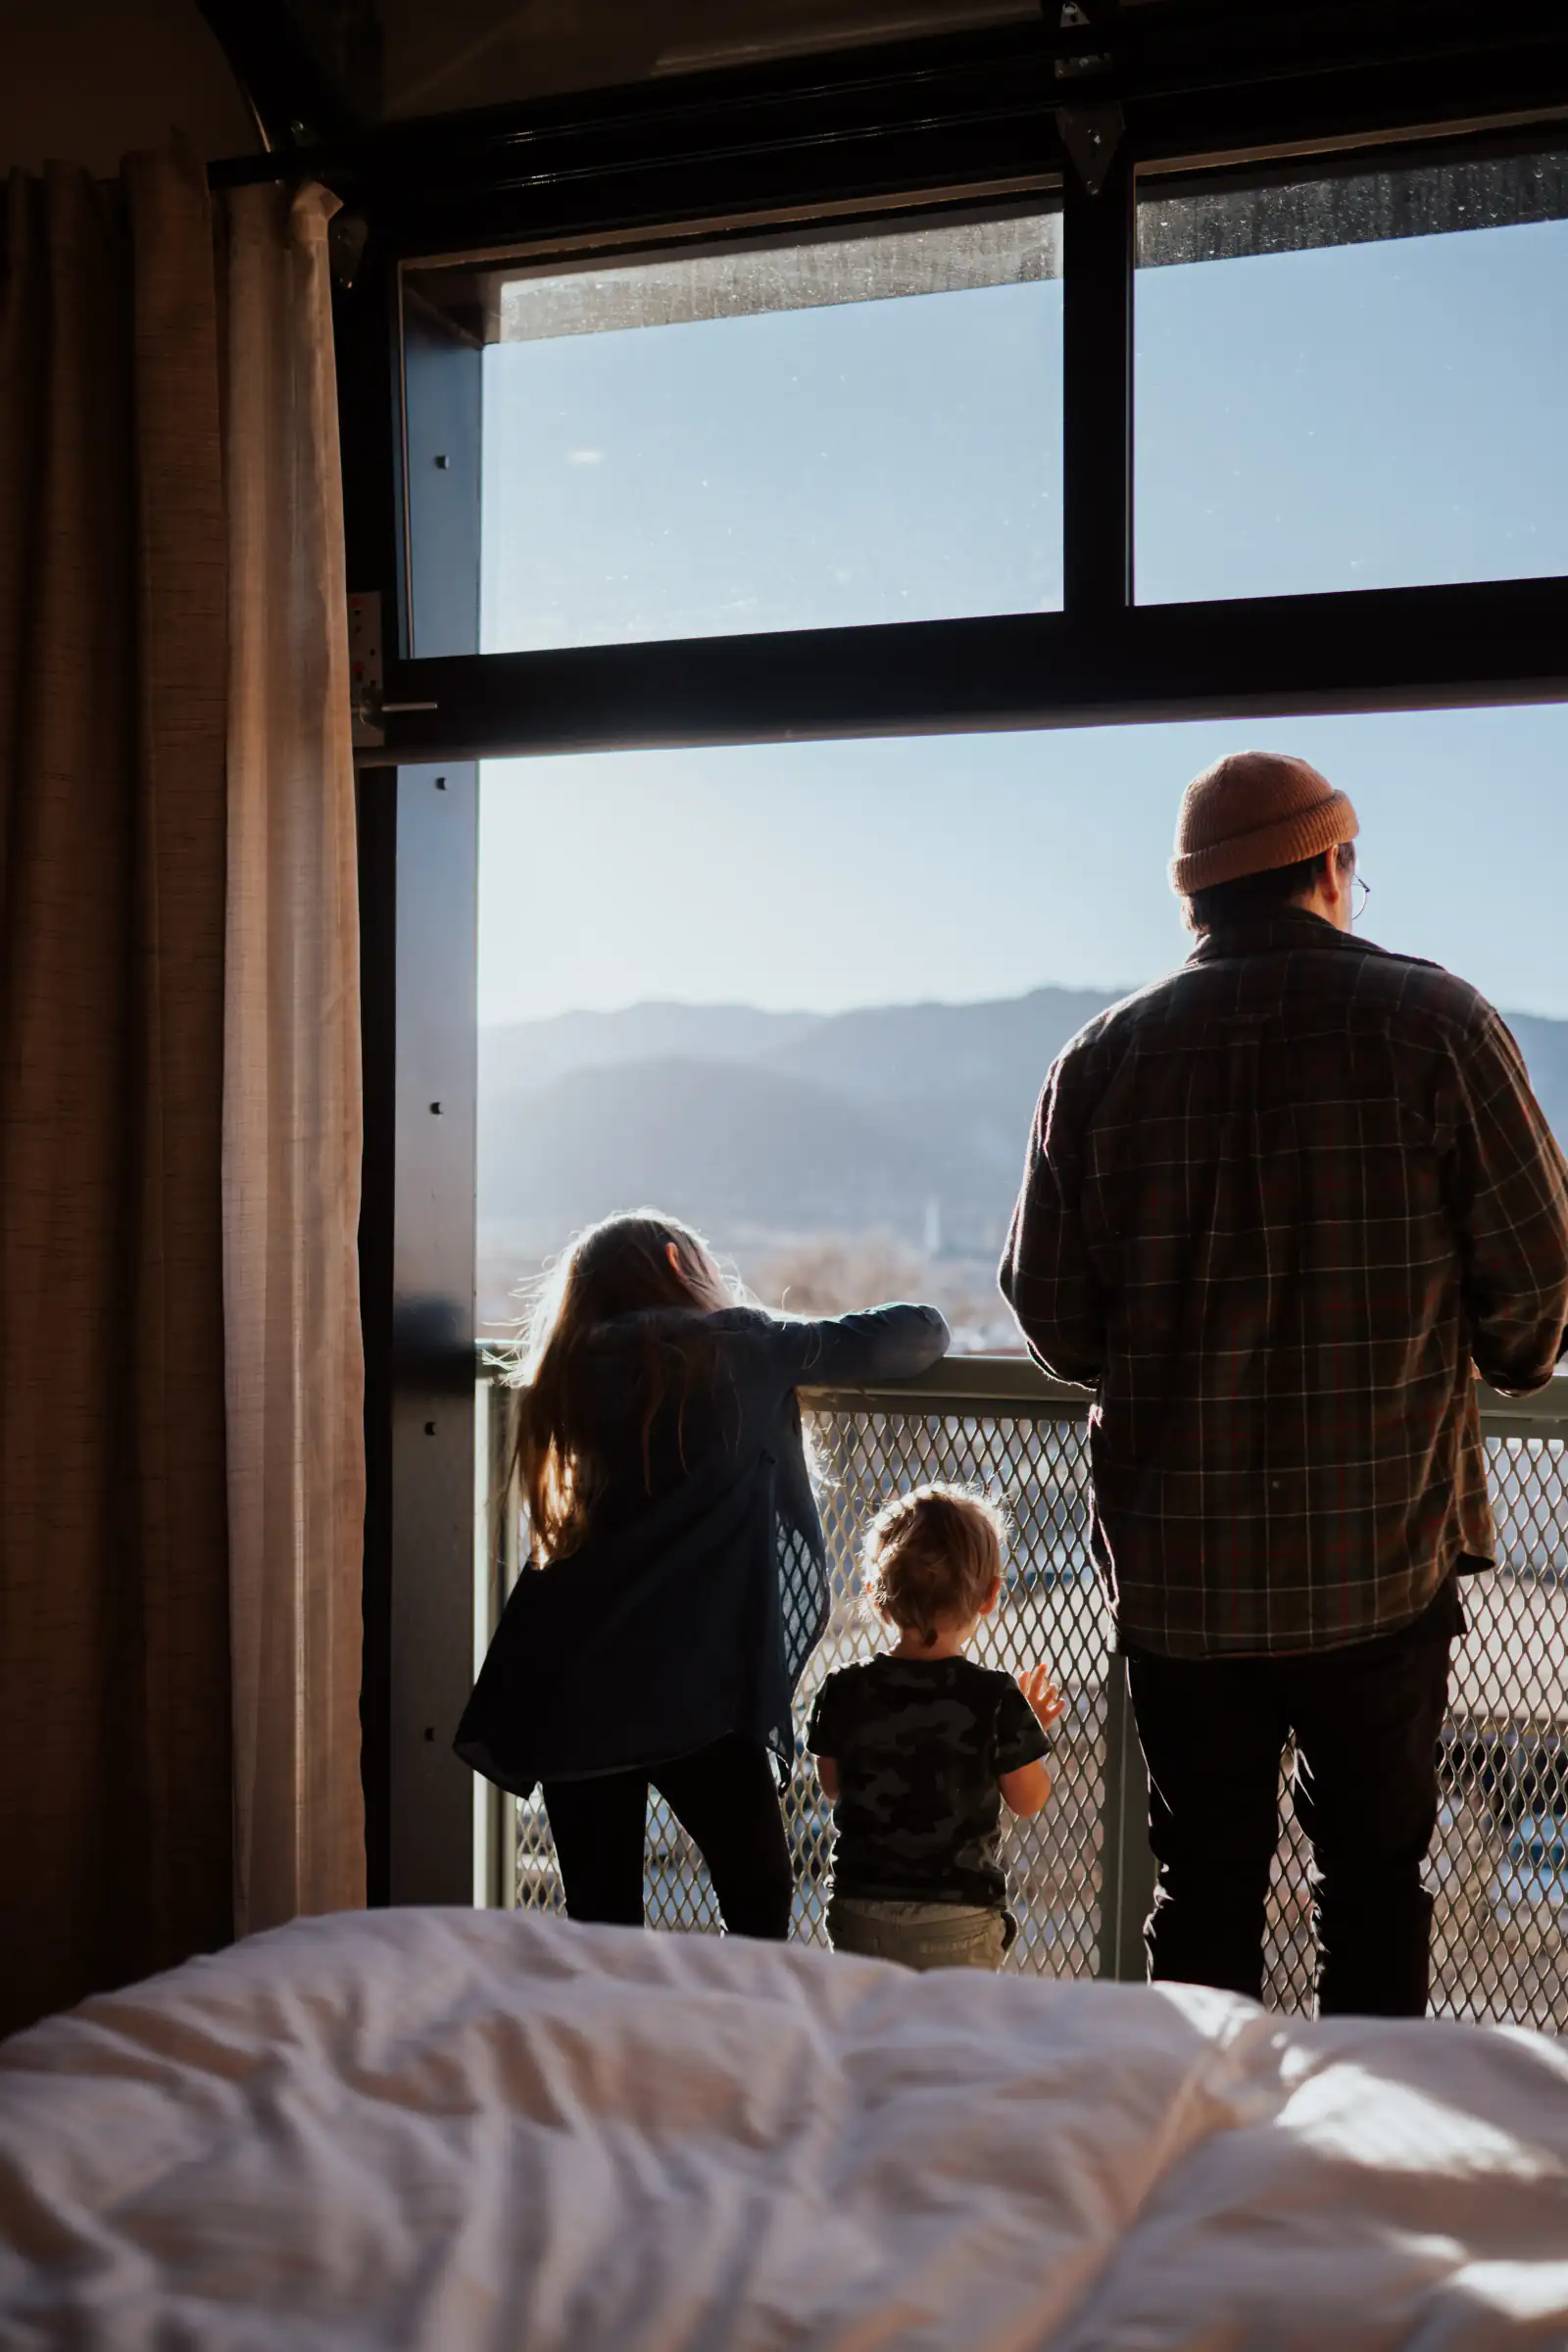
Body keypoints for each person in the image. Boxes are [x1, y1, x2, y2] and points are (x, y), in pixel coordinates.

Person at [1000, 750, 1568, 2017]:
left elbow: (1056, 1320)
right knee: (1373, 1882)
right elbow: (1536, 1286)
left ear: (1194, 900)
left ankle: (1201, 2125)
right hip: (1381, 1555)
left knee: (1202, 1884)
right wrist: (1496, 1354)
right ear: (1329, 866)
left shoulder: (1099, 1061)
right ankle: (1358, 2127)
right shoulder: (1438, 1026)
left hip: (1182, 1573)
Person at [456, 1208, 950, 1939]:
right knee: (757, 1900)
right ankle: (727, 2014)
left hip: (571, 1678)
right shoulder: (740, 1347)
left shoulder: (570, 1366)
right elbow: (918, 1334)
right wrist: (776, 1336)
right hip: (698, 1681)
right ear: (676, 1263)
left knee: (600, 1920)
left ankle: (620, 2018)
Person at [807, 1484, 1064, 1971]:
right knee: (952, 2021)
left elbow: (833, 1785)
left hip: (860, 1909)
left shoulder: (844, 1687)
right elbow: (1028, 1800)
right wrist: (1023, 1729)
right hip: (957, 1917)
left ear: (875, 1597)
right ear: (990, 1595)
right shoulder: (995, 1697)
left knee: (871, 2017)